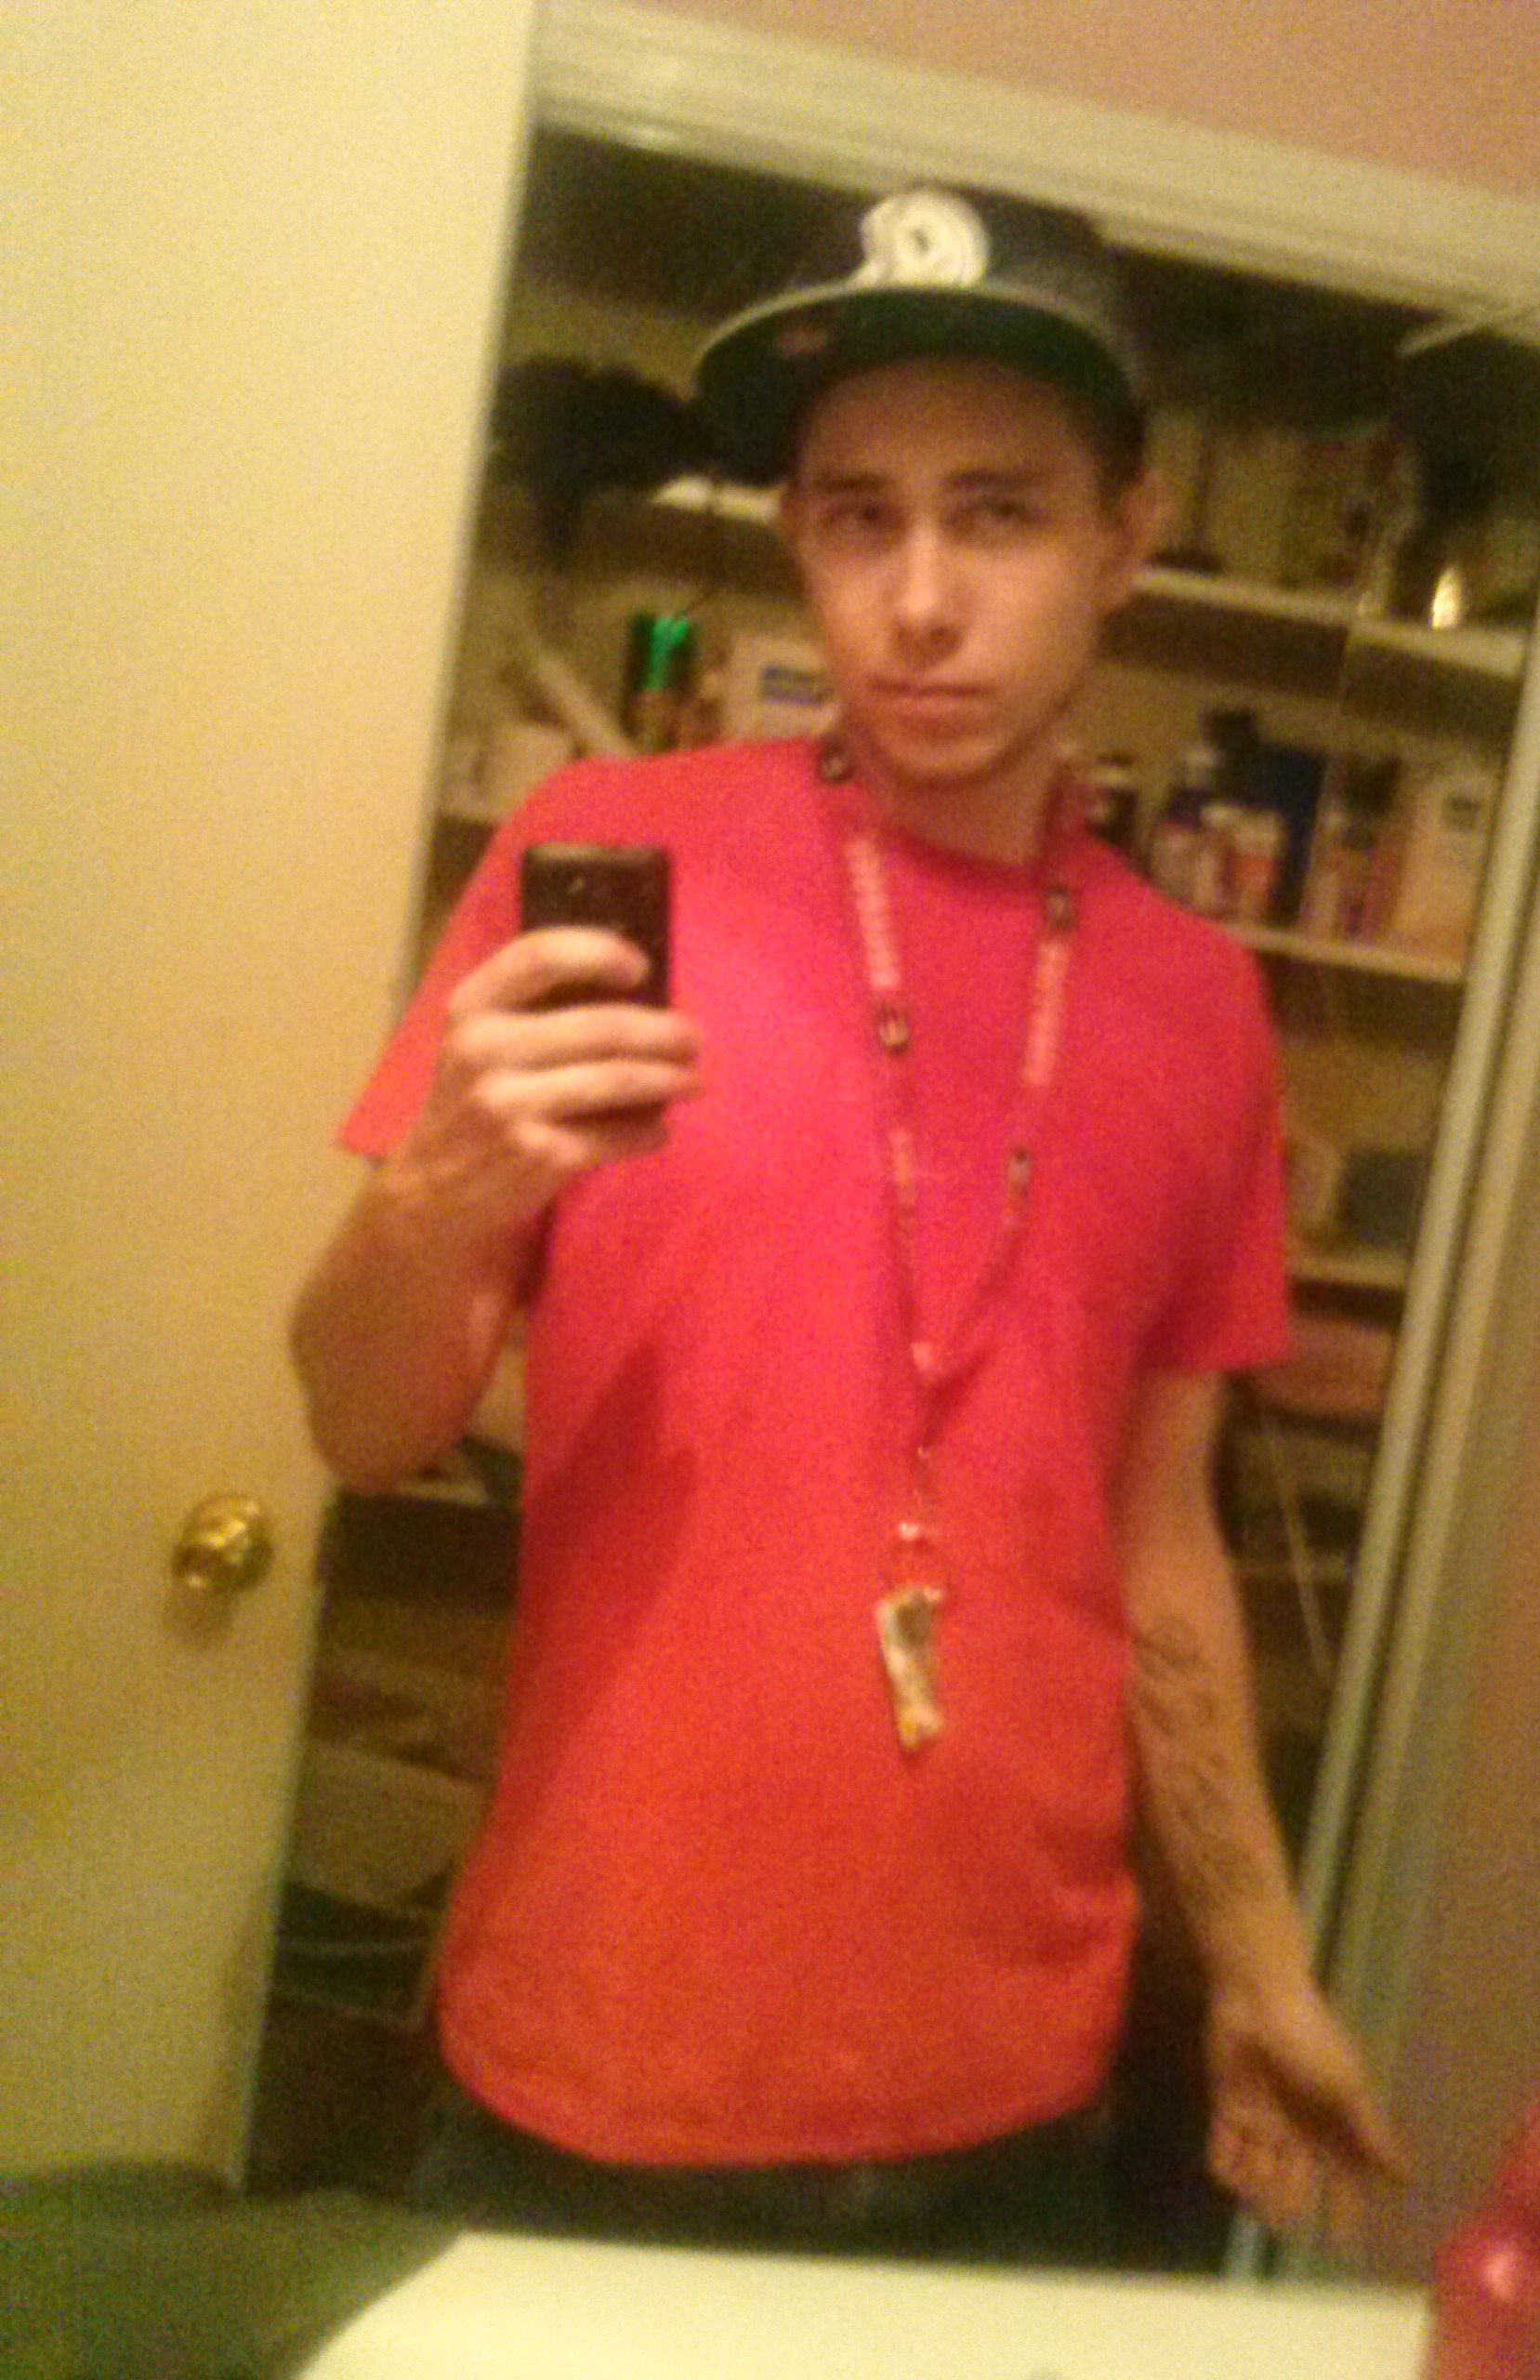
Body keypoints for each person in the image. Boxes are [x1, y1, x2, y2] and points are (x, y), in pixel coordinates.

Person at [291, 184, 1403, 2261]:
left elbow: (1158, 1533)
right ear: (798, 535)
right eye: (856, 516)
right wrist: (439, 1189)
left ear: (1127, 534)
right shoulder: (604, 851)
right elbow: (359, 1425)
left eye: (998, 515)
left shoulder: (1198, 1005)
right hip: (600, 2057)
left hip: (1021, 2092)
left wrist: (1259, 1961)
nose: (918, 600)